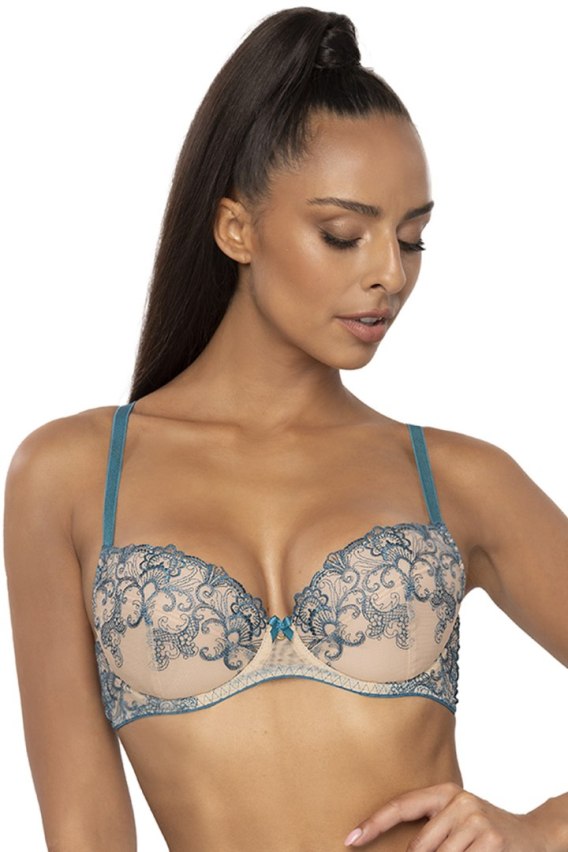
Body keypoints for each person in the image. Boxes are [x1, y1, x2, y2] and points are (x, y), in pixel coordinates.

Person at [4, 6, 567, 851]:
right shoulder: (71, 477)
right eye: (343, 236)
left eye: (412, 240)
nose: (389, 275)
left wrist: (543, 828)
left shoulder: (460, 480)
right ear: (237, 229)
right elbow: (84, 830)